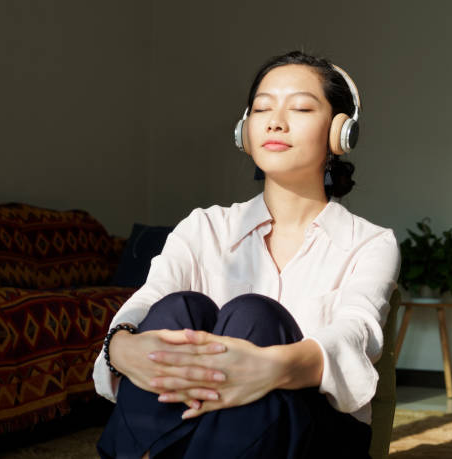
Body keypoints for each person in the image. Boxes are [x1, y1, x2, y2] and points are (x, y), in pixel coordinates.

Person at [93, 50, 401, 458]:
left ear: (339, 133)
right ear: (245, 129)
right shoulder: (205, 227)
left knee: (255, 316)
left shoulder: (370, 242)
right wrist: (121, 347)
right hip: (200, 423)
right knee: (177, 307)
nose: (275, 120)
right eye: (261, 108)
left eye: (301, 107)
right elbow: (148, 300)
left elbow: (356, 332)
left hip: (315, 429)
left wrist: (274, 366)